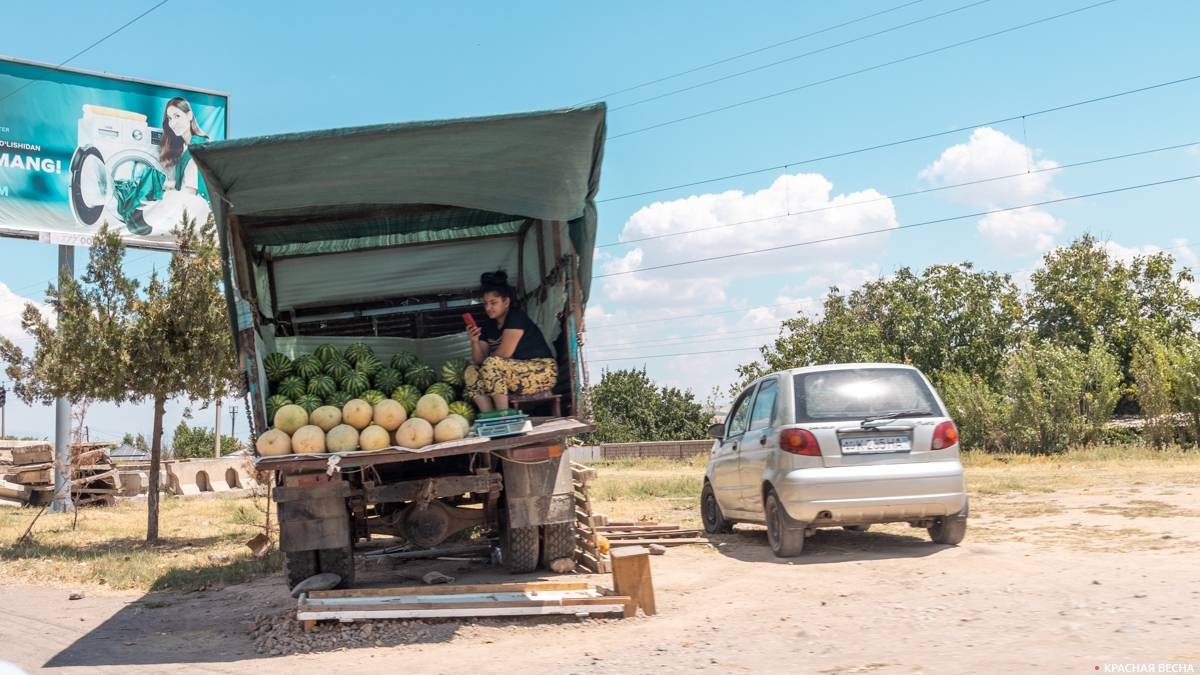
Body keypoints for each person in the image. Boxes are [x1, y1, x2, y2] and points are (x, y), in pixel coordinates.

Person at [115, 96, 211, 236]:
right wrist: (165, 186)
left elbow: (190, 192)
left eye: (177, 116)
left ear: (189, 115)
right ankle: (138, 220)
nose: (173, 122)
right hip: (193, 208)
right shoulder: (186, 147)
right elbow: (185, 185)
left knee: (162, 201)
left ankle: (137, 220)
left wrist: (160, 200)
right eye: (170, 118)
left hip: (198, 208)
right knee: (156, 193)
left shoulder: (197, 146)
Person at [463, 270, 557, 412]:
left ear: (506, 302)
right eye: (485, 303)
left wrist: (486, 364)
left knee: (491, 363)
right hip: (511, 371)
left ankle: (503, 416)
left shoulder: (516, 317)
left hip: (542, 370)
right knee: (471, 370)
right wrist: (474, 341)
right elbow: (478, 360)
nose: (488, 308)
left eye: (493, 303)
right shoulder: (489, 325)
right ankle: (489, 416)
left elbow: (505, 353)